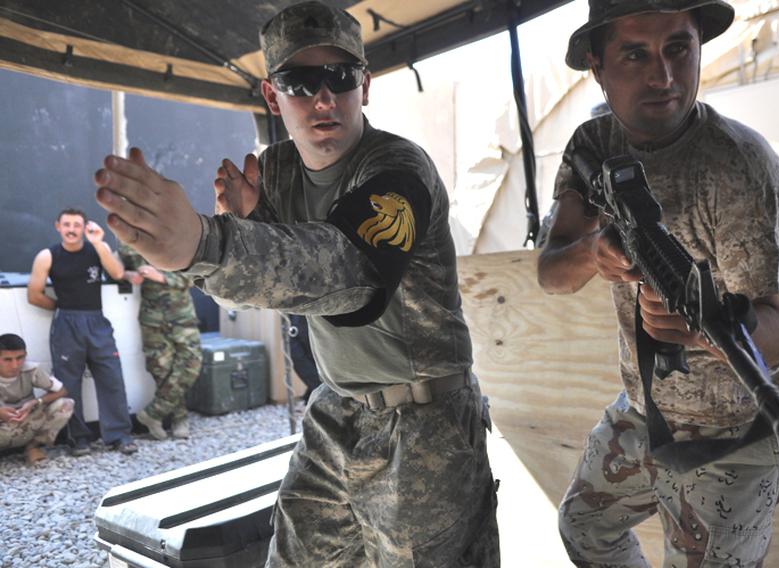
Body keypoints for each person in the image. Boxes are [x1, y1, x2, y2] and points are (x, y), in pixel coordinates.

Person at [92, 2, 499, 565]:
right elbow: (280, 284)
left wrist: (205, 243)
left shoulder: (398, 169)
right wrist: (244, 233)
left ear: (365, 85)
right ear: (271, 95)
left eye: (340, 77)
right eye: (299, 82)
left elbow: (347, 272)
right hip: (336, 410)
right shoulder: (279, 167)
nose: (324, 98)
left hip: (423, 425)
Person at [537, 0, 779, 566]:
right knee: (584, 527)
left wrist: (706, 327)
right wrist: (595, 252)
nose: (663, 76)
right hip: (646, 410)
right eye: (635, 54)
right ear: (597, 64)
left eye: (678, 49)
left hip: (740, 427)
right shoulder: (594, 146)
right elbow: (551, 271)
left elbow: (778, 331)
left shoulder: (741, 167)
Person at [27, 208, 137, 456]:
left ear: (84, 227)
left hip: (97, 321)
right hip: (66, 323)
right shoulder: (47, 256)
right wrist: (62, 309)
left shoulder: (97, 249)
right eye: (67, 224)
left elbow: (118, 273)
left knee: (112, 378)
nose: (72, 229)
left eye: (77, 225)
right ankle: (79, 439)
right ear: (58, 226)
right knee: (68, 383)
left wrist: (99, 242)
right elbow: (34, 295)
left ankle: (119, 436)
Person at [120, 244, 202, 440]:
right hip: (152, 318)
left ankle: (153, 413)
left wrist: (161, 276)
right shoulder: (126, 243)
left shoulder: (176, 237)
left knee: (191, 364)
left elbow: (194, 276)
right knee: (162, 369)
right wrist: (129, 276)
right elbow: (120, 270)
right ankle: (179, 419)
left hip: (180, 314)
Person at [0, 334, 75, 465]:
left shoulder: (32, 369)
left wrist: (36, 402)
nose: (15, 365)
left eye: (20, 358)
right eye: (7, 359)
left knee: (66, 404)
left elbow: (62, 390)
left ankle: (33, 447)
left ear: (25, 355)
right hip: (3, 428)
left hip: (28, 421)